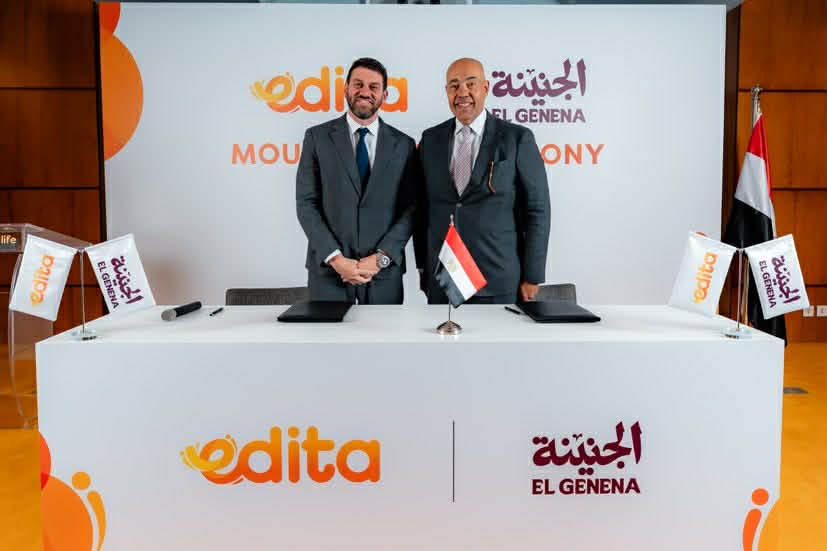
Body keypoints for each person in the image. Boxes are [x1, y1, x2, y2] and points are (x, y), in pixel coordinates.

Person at [415, 57, 551, 304]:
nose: (462, 92)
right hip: (443, 279)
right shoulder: (430, 139)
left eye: (471, 83)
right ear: (446, 91)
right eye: (454, 85)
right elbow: (422, 210)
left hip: (497, 279)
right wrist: (423, 267)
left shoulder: (517, 138)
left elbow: (537, 210)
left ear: (486, 87)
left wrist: (532, 276)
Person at [296, 58, 418, 304]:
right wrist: (336, 259)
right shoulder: (317, 138)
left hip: (383, 275)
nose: (365, 92)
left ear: (384, 95)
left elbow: (412, 208)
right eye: (358, 84)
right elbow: (306, 203)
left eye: (374, 87)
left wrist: (381, 258)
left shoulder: (404, 145)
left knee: (383, 332)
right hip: (329, 274)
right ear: (346, 89)